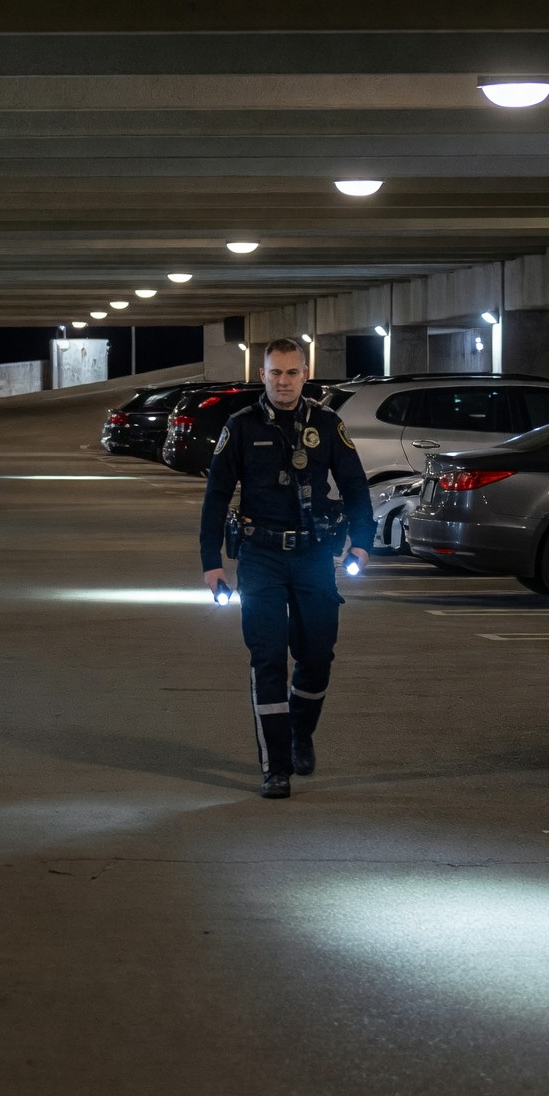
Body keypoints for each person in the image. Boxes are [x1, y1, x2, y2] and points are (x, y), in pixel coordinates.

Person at [199, 338, 371, 799]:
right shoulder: (240, 426)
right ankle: (275, 766)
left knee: (317, 656)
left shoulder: (327, 424)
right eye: (275, 373)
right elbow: (216, 496)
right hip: (260, 557)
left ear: (305, 375)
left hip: (314, 557)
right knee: (268, 659)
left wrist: (363, 543)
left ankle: (300, 734)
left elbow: (354, 485)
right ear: (263, 375)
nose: (284, 381)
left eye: (292, 373)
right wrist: (211, 563)